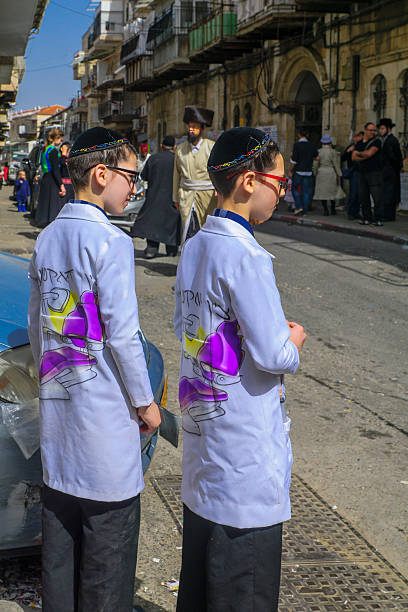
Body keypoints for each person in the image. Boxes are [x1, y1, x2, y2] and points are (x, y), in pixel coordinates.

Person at [27, 126, 161, 612]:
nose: (134, 187)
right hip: (103, 418)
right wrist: (146, 404)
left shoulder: (47, 237)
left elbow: (38, 324)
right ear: (101, 175)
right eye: (130, 176)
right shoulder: (110, 243)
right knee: (108, 547)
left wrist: (48, 384)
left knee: (61, 542)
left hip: (60, 410)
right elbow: (124, 336)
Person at [174, 127, 307, 612]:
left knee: (203, 580)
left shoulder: (195, 245)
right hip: (244, 450)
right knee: (242, 585)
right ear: (250, 182)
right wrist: (292, 341)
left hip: (206, 430)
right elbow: (272, 354)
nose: (282, 191)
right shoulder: (246, 255)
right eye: (280, 181)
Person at [131, 135, 180, 258]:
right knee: (171, 225)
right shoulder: (178, 160)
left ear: (161, 146)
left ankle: (151, 249)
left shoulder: (153, 159)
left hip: (154, 198)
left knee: (153, 222)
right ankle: (171, 250)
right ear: (174, 147)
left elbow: (144, 176)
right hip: (172, 199)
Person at [173, 105, 216, 238]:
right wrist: (175, 198)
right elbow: (176, 175)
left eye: (195, 127)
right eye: (189, 127)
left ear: (202, 129)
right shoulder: (180, 149)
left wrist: (219, 192)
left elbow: (217, 173)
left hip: (207, 198)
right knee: (187, 231)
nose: (191, 130)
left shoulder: (212, 147)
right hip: (186, 196)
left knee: (206, 231)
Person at [352, 122, 384, 226]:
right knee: (363, 196)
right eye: (370, 130)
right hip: (362, 173)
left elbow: (370, 153)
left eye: (374, 130)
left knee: (377, 197)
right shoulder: (360, 143)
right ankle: (367, 218)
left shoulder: (377, 141)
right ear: (365, 130)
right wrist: (362, 156)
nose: (372, 132)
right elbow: (353, 157)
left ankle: (378, 218)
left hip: (374, 172)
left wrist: (360, 154)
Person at [35, 128, 66, 228]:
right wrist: (61, 185)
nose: (61, 142)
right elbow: (55, 170)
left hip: (46, 178)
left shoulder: (45, 149)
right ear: (56, 138)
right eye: (61, 140)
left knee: (46, 206)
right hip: (52, 180)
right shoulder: (53, 151)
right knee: (53, 207)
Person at [289, 128, 319, 216]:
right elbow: (317, 157)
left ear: (299, 135)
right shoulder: (312, 145)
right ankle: (304, 211)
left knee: (295, 189)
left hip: (298, 171)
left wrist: (290, 170)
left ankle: (298, 207)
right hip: (308, 171)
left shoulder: (297, 145)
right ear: (307, 135)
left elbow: (293, 160)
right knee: (306, 192)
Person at [378, 118, 403, 221]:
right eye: (380, 129)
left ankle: (388, 215)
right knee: (388, 193)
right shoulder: (386, 140)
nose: (380, 131)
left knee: (389, 193)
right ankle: (388, 215)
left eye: (382, 129)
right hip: (388, 171)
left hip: (390, 172)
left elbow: (394, 157)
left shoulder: (391, 140)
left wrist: (391, 168)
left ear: (388, 129)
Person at [313, 134, 345, 215]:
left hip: (321, 172)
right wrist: (339, 174)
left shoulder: (318, 152)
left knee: (323, 192)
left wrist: (315, 172)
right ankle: (333, 209)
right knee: (332, 192)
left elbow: (316, 163)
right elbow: (336, 164)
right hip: (331, 172)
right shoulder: (333, 152)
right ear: (330, 142)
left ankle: (325, 210)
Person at [341, 131, 364, 220]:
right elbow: (343, 158)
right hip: (354, 172)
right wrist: (348, 151)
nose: (359, 139)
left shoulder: (363, 146)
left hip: (362, 172)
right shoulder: (351, 147)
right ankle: (351, 212)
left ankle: (356, 212)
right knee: (353, 193)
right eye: (358, 137)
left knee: (359, 194)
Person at [59, 141, 74, 206]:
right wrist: (64, 154)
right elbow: (62, 164)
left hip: (72, 186)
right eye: (68, 151)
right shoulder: (61, 159)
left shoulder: (73, 160)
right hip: (64, 185)